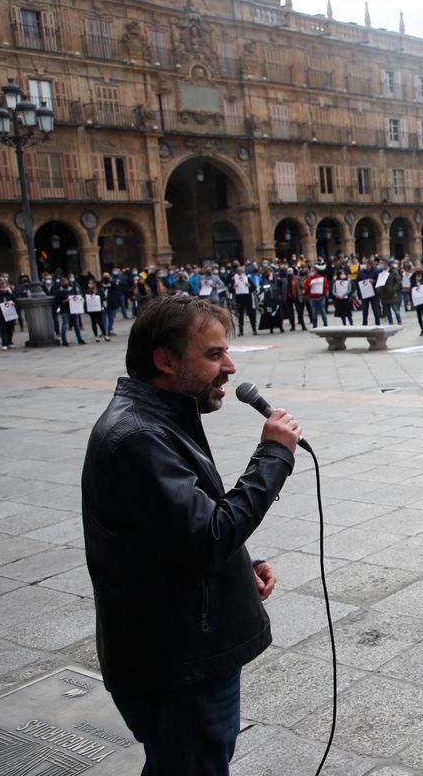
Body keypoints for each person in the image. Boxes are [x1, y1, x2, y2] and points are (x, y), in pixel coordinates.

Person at [82, 293, 300, 776]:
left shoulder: (159, 419)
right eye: (213, 354)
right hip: (178, 661)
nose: (229, 367)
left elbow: (177, 523)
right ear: (164, 359)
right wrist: (273, 456)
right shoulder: (139, 436)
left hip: (176, 645)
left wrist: (241, 565)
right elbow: (208, 538)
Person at [231, 266, 257, 336]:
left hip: (248, 297)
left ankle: (254, 330)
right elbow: (231, 289)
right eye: (239, 271)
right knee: (240, 315)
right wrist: (234, 286)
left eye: (241, 271)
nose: (240, 273)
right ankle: (241, 331)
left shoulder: (247, 278)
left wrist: (249, 285)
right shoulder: (235, 279)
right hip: (239, 298)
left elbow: (254, 287)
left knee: (251, 314)